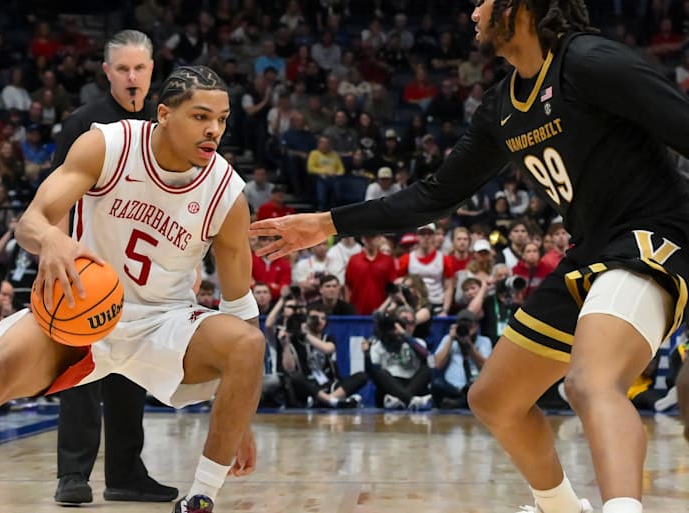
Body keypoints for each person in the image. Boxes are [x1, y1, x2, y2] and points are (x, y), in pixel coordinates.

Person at [250, 2, 689, 512]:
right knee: (494, 399)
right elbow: (434, 195)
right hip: (588, 251)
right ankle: (563, 508)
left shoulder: (590, 62)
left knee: (591, 383)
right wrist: (327, 223)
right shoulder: (501, 106)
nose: (471, 11)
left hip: (653, 235)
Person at [0, 65, 264, 513]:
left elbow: (239, 303)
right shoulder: (108, 145)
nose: (214, 130)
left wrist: (242, 407)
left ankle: (200, 498)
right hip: (84, 307)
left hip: (163, 321)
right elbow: (31, 221)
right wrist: (51, 239)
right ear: (164, 114)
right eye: (201, 117)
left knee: (247, 343)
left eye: (222, 120)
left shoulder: (226, 193)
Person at [48, 29, 177, 506]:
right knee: (82, 375)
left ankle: (126, 474)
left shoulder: (165, 125)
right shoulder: (82, 126)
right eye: (122, 68)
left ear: (151, 72)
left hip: (144, 273)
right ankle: (72, 474)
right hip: (89, 268)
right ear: (106, 73)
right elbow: (55, 198)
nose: (131, 77)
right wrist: (56, 254)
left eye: (139, 68)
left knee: (131, 376)